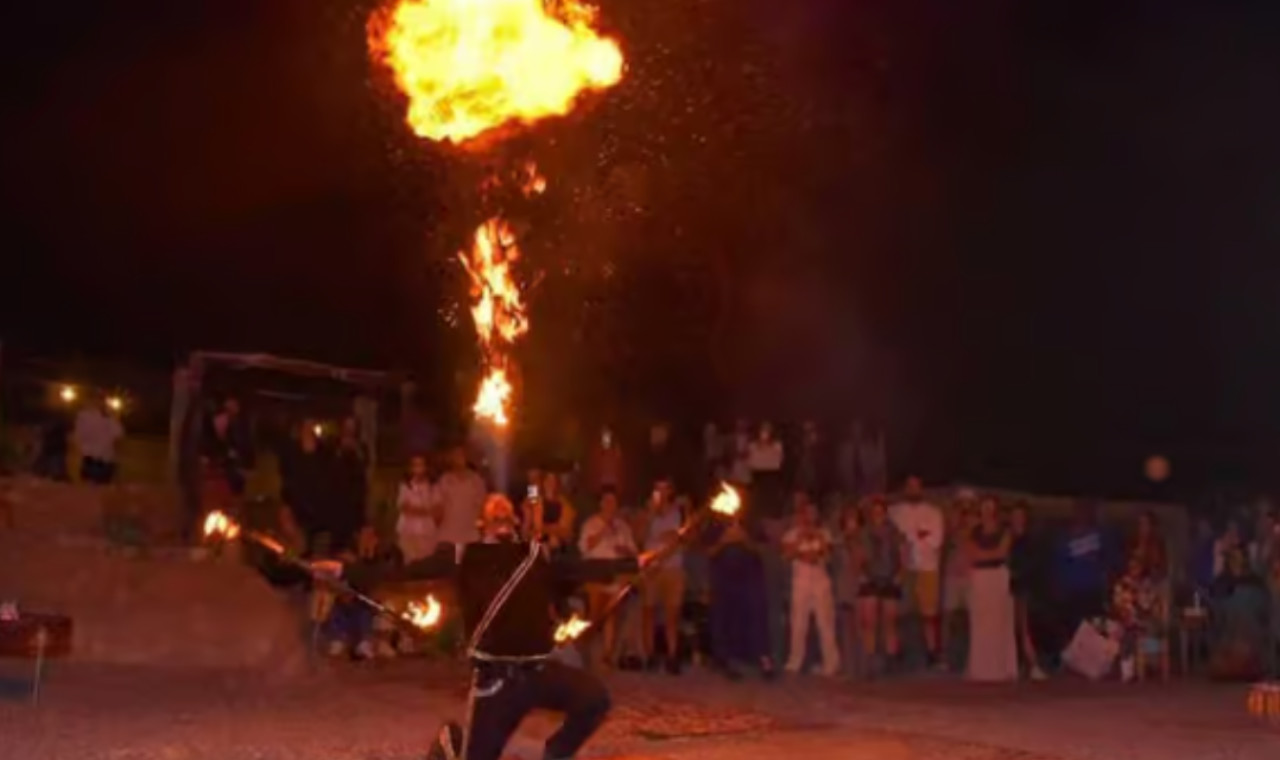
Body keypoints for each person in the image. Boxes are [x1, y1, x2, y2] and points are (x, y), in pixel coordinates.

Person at [313, 495, 656, 760]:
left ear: (516, 520)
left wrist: (633, 563)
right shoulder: (466, 555)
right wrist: (344, 571)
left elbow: (582, 567)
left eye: (506, 508)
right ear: (483, 523)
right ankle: (449, 744)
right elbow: (405, 572)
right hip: (496, 685)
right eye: (493, 508)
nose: (501, 509)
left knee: (594, 699)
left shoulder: (535, 556)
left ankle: (553, 755)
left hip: (538, 673)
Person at [705, 508, 774, 680]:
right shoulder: (716, 526)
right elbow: (709, 553)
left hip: (750, 580)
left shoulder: (751, 524)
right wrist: (724, 541)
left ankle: (763, 660)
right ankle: (725, 661)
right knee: (724, 619)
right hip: (724, 580)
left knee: (756, 618)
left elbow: (763, 550)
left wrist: (744, 540)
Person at [577, 488, 638, 668]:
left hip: (616, 574)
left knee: (611, 614)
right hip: (596, 572)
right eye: (607, 501)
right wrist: (604, 531)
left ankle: (607, 655)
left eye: (613, 501)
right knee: (595, 615)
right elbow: (585, 547)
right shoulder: (591, 523)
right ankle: (583, 652)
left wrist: (624, 550)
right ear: (601, 503)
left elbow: (633, 551)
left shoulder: (622, 526)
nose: (610, 505)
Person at [781, 492, 840, 676]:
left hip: (820, 580)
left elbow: (827, 557)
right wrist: (801, 541)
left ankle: (831, 663)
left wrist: (818, 540)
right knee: (798, 622)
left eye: (814, 513)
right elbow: (786, 555)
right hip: (801, 580)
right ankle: (794, 662)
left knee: (825, 622)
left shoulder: (825, 533)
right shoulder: (792, 534)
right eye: (808, 513)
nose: (811, 516)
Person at [889, 476, 945, 668]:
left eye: (916, 486)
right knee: (899, 612)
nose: (913, 490)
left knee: (929, 614)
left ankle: (932, 652)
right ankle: (897, 652)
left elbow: (936, 540)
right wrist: (919, 535)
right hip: (902, 567)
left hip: (927, 567)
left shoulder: (933, 513)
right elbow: (894, 539)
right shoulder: (894, 512)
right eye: (909, 486)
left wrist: (909, 537)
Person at [965, 495, 1017, 682]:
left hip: (998, 577)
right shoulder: (974, 531)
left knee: (999, 621)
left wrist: (984, 554)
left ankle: (1000, 668)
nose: (987, 511)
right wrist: (988, 555)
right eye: (984, 507)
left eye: (990, 507)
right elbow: (971, 554)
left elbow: (1002, 552)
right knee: (981, 622)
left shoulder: (1004, 531)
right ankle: (982, 669)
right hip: (980, 577)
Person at [637, 478, 686, 673]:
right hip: (650, 569)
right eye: (658, 489)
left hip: (672, 567)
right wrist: (649, 516)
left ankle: (672, 656)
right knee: (648, 611)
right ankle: (650, 655)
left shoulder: (677, 512)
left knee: (672, 615)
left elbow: (679, 539)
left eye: (665, 489)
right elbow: (639, 538)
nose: (662, 493)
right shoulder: (647, 512)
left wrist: (663, 559)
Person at [855, 496, 904, 677]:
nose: (878, 515)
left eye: (880, 512)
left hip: (890, 576)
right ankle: (870, 660)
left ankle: (891, 659)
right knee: (870, 621)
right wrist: (861, 573)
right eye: (874, 512)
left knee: (890, 620)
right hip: (870, 576)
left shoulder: (894, 531)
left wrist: (899, 573)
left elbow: (901, 553)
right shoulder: (864, 532)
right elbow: (859, 554)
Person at [1008, 502, 1048, 681]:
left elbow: (1030, 565)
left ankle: (1033, 663)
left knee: (1024, 627)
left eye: (1020, 516)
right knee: (1016, 628)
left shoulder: (1030, 540)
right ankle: (1022, 664)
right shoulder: (1010, 539)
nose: (1017, 520)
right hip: (1013, 588)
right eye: (1014, 516)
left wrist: (1016, 573)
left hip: (1025, 588)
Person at [433, 446, 487, 557]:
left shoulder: (476, 481)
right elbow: (437, 508)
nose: (458, 459)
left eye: (461, 456)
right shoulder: (444, 480)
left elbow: (482, 507)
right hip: (448, 536)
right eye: (455, 456)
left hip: (470, 536)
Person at [73, 394, 124, 484]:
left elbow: (80, 435)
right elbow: (118, 434)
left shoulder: (85, 416)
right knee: (99, 484)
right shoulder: (106, 417)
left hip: (98, 456)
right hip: (100, 457)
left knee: (92, 484)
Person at [396, 454, 438, 563]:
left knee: (426, 562)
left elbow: (436, 508)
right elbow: (404, 507)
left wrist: (421, 511)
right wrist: (423, 511)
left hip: (426, 532)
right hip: (408, 532)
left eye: (421, 465)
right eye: (415, 465)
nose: (418, 469)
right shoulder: (405, 486)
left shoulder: (433, 486)